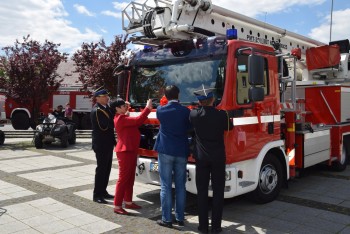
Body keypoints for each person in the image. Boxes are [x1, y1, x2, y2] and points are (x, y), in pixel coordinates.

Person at [189, 87, 233, 233]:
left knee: (201, 192)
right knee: (218, 192)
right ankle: (216, 227)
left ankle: (203, 227)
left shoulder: (194, 114)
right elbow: (229, 127)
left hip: (201, 158)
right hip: (218, 158)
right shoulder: (222, 115)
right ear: (213, 99)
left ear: (199, 101)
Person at [154, 85, 192, 228]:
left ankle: (167, 219)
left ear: (165, 95)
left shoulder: (160, 110)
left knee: (165, 186)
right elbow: (189, 127)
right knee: (181, 186)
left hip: (165, 150)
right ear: (179, 95)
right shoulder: (185, 111)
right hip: (181, 150)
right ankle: (180, 218)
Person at [112, 98, 152, 215]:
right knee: (123, 179)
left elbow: (130, 117)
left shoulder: (122, 117)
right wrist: (147, 108)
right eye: (123, 106)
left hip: (129, 150)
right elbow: (138, 120)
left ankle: (128, 202)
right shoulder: (121, 118)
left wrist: (127, 107)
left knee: (130, 178)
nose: (126, 107)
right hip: (125, 151)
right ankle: (117, 205)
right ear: (117, 108)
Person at [90, 87, 115, 204]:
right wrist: (117, 122)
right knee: (101, 170)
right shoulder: (97, 111)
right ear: (98, 98)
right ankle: (97, 194)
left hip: (108, 143)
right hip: (101, 144)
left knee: (107, 168)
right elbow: (104, 126)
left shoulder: (106, 108)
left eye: (107, 96)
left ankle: (103, 191)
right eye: (104, 96)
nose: (107, 97)